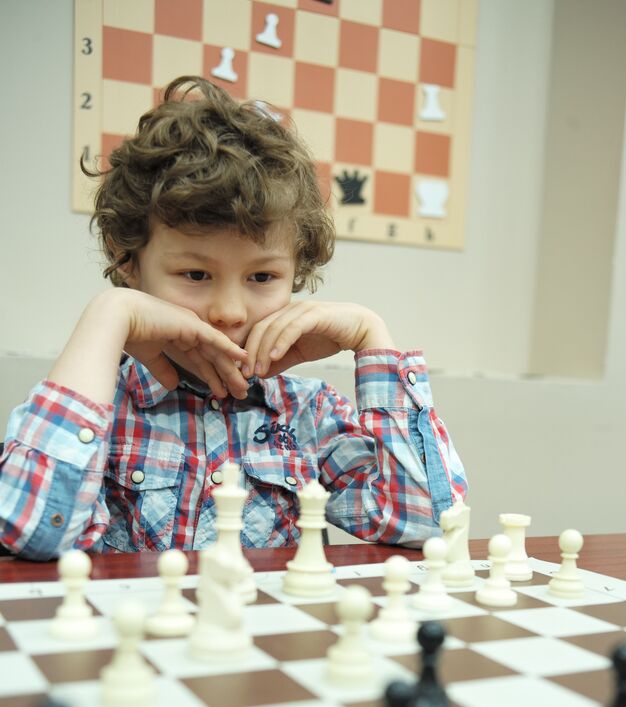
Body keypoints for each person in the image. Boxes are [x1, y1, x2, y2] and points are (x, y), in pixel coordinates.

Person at [0, 76, 466, 560]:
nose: (229, 312)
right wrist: (107, 314)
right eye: (196, 273)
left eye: (262, 277)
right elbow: (32, 531)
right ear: (128, 263)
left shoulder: (307, 415)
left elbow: (431, 521)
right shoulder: (99, 409)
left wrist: (374, 339)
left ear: (295, 273)